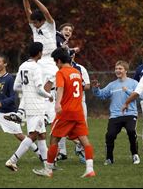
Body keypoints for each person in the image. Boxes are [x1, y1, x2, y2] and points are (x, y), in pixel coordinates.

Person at [32, 48, 96, 178]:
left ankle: (48, 170)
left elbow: (60, 88)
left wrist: (57, 103)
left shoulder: (61, 72)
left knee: (54, 138)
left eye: (56, 62)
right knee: (84, 140)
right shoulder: (76, 72)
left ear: (59, 61)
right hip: (78, 111)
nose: (56, 65)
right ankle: (90, 169)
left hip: (66, 111)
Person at [11, 0, 58, 124]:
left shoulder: (50, 25)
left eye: (36, 23)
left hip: (50, 61)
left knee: (48, 87)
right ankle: (21, 113)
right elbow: (27, 11)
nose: (34, 25)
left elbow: (47, 13)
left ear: (41, 21)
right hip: (38, 60)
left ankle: (46, 115)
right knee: (30, 85)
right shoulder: (34, 26)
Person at [5, 42, 53, 171]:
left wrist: (27, 89)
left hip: (29, 106)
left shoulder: (23, 66)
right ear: (39, 53)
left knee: (42, 135)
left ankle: (48, 166)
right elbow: (39, 89)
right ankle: (12, 160)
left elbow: (16, 87)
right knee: (33, 136)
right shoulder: (36, 67)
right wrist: (49, 95)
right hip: (37, 106)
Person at [91, 60, 140, 165]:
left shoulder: (134, 83)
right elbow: (101, 95)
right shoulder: (112, 85)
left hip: (130, 114)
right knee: (110, 135)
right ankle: (109, 158)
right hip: (115, 115)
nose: (117, 70)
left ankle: (135, 155)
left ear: (126, 70)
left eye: (120, 69)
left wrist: (127, 91)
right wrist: (95, 89)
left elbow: (140, 96)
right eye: (116, 69)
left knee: (131, 131)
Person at [56, 53, 90, 164]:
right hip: (75, 105)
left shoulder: (78, 68)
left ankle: (49, 167)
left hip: (72, 104)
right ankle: (63, 152)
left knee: (57, 133)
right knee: (79, 134)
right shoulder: (73, 71)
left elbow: (87, 85)